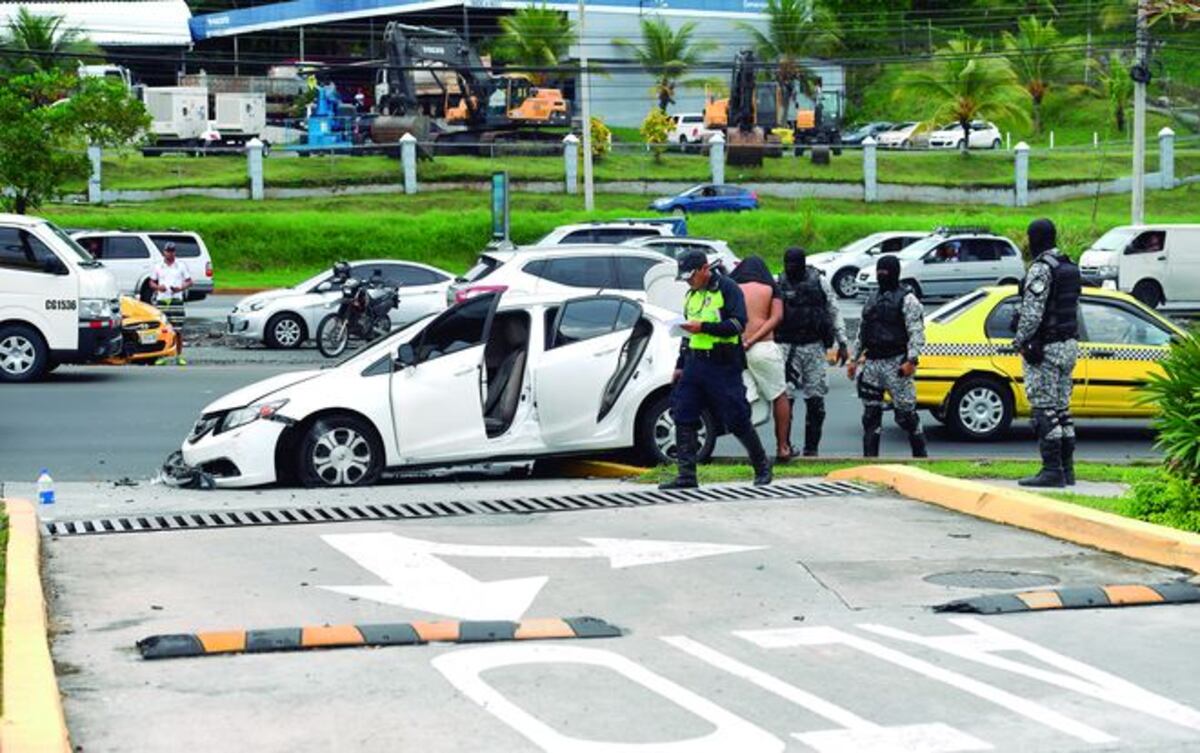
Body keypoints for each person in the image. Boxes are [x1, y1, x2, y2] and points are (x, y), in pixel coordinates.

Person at [660, 250, 772, 489]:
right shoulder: (691, 295)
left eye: (691, 276)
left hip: (723, 364)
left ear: (704, 269)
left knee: (736, 417)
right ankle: (686, 475)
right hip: (694, 364)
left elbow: (738, 324)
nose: (688, 281)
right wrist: (680, 366)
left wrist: (705, 327)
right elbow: (686, 334)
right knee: (683, 413)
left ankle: (761, 464)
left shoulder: (727, 288)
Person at [1013, 218, 1081, 488]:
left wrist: (1019, 341)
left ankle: (1051, 471)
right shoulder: (1068, 266)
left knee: (1044, 409)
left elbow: (1032, 313)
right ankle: (1067, 470)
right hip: (1068, 345)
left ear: (1035, 239)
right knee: (1062, 409)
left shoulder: (1041, 269)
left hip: (1046, 349)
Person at [847, 255, 927, 458]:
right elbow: (862, 331)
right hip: (872, 363)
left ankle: (921, 458)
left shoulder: (908, 299)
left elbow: (916, 332)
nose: (882, 275)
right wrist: (853, 360)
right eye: (879, 271)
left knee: (905, 416)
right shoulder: (872, 299)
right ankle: (870, 461)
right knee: (870, 416)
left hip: (897, 364)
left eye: (886, 271)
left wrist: (912, 360)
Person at [776, 247, 848, 458]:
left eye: (794, 263)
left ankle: (811, 450)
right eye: (786, 263)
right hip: (787, 348)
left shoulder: (820, 282)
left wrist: (842, 343)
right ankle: (785, 446)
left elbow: (834, 310)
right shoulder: (778, 282)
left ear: (803, 263)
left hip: (815, 347)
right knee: (785, 397)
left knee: (816, 399)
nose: (790, 268)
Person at [730, 256, 791, 461]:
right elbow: (777, 318)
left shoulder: (732, 287)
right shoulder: (769, 288)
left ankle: (754, 451)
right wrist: (754, 339)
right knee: (779, 395)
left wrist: (743, 341)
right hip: (764, 348)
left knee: (745, 399)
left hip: (736, 349)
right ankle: (783, 447)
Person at [149, 242, 192, 327]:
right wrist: (158, 287)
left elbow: (189, 281)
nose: (170, 253)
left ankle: (178, 340)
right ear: (164, 252)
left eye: (172, 251)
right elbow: (151, 282)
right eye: (168, 251)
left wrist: (180, 288)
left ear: (175, 252)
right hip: (162, 300)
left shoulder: (181, 265)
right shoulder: (158, 266)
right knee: (162, 325)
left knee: (178, 326)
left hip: (176, 299)